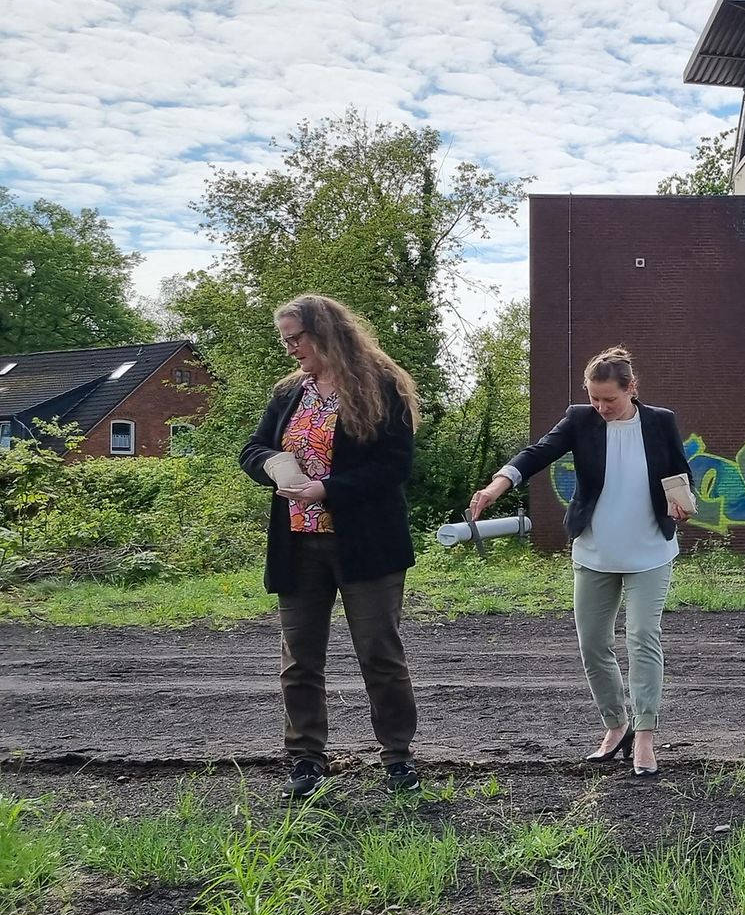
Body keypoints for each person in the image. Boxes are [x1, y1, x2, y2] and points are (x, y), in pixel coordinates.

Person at [469, 347, 693, 777]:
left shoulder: (660, 421)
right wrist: (497, 485)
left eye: (609, 399)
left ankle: (645, 733)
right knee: (593, 645)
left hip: (649, 551)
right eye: (594, 398)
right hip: (594, 552)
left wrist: (682, 501)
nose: (601, 407)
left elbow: (680, 472)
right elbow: (538, 452)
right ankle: (616, 724)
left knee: (643, 637)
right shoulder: (580, 419)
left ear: (632, 389)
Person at [241, 294, 424, 800]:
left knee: (379, 654)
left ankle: (397, 758)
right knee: (299, 659)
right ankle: (305, 759)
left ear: (326, 332)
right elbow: (253, 449)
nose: (290, 348)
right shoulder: (289, 393)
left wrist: (329, 489)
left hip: (366, 545)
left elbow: (394, 465)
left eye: (295, 338)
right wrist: (274, 467)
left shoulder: (381, 386)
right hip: (298, 545)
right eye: (285, 340)